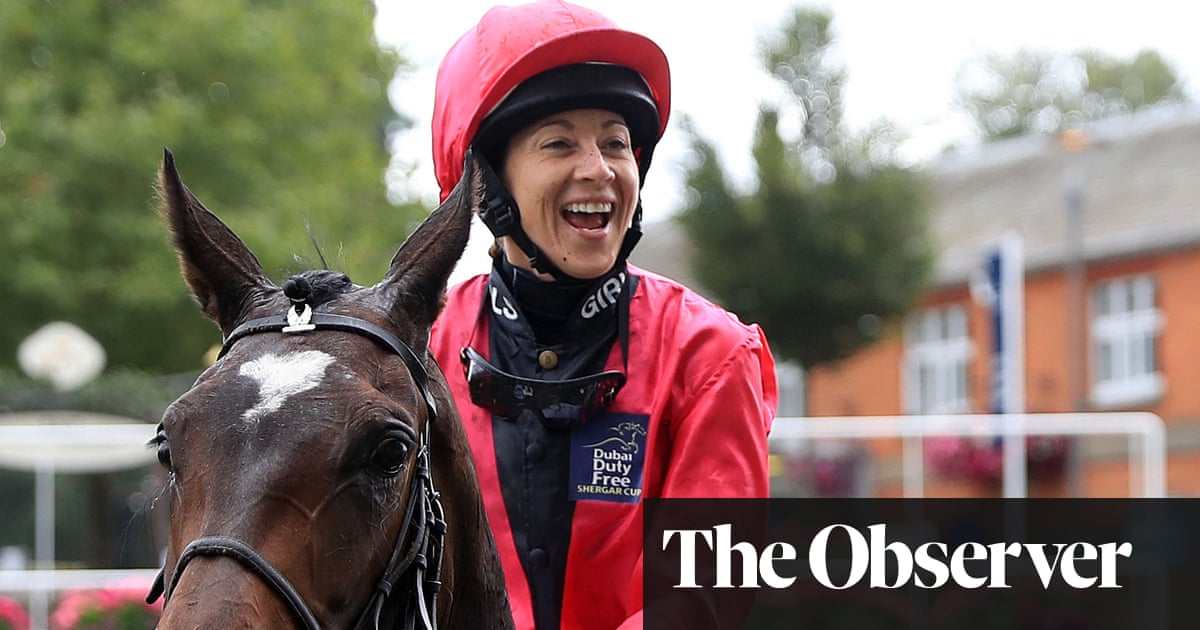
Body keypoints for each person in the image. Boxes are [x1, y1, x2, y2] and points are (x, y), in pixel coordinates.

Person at [427, 1, 778, 628]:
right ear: (486, 183)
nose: (599, 169)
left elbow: (706, 595)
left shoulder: (712, 354)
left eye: (615, 142)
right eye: (559, 143)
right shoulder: (423, 350)